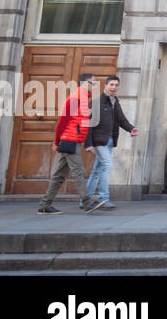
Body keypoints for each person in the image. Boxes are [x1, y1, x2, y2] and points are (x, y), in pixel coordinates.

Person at [38, 73, 100, 215]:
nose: (94, 86)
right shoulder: (75, 98)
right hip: (69, 141)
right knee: (79, 171)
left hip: (74, 140)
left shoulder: (83, 99)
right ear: (84, 83)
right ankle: (87, 202)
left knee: (59, 175)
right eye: (93, 83)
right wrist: (56, 141)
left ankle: (44, 205)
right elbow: (62, 122)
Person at [85, 74, 138, 210]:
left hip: (109, 141)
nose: (114, 87)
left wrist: (131, 128)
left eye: (116, 85)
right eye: (111, 85)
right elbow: (88, 124)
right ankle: (104, 198)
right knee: (107, 165)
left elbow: (121, 120)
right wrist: (88, 144)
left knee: (97, 170)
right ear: (105, 85)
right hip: (98, 141)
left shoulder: (115, 102)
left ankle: (85, 200)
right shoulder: (96, 102)